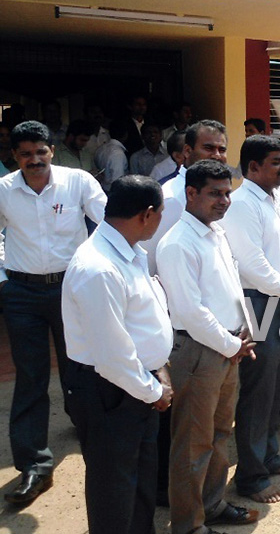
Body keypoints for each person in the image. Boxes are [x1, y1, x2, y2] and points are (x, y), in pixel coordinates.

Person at [0, 120, 107, 505]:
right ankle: (33, 467)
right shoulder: (4, 191)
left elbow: (108, 224)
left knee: (78, 365)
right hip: (21, 292)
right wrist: (3, 277)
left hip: (70, 288)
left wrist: (96, 268)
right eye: (25, 154)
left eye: (40, 152)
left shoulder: (78, 182)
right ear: (14, 156)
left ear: (51, 149)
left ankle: (90, 434)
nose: (34, 160)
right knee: (30, 376)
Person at [61, 175, 172, 534]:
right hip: (110, 389)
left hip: (138, 383)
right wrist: (155, 391)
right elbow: (112, 357)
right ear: (147, 214)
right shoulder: (99, 268)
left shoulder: (128, 252)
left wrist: (159, 370)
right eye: (161, 215)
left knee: (139, 482)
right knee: (114, 489)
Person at [156, 160, 260, 534]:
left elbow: (230, 289)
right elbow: (189, 311)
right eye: (215, 193)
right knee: (192, 446)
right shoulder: (177, 243)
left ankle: (212, 506)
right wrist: (230, 344)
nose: (224, 201)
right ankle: (188, 525)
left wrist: (242, 335)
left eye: (227, 193)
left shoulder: (215, 232)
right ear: (191, 193)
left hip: (228, 346)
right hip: (199, 353)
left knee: (219, 435)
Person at [222, 135, 280, 503]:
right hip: (258, 304)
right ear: (253, 167)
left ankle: (270, 457)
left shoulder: (278, 198)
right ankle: (251, 476)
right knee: (258, 390)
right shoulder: (242, 203)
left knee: (276, 386)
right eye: (276, 162)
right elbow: (251, 264)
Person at [141, 119, 228, 275]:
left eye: (222, 150)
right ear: (187, 151)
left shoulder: (221, 194)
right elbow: (148, 262)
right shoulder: (172, 199)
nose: (216, 155)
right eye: (208, 148)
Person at [94, 120, 130, 191]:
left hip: (101, 190)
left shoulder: (100, 149)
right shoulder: (118, 154)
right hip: (112, 193)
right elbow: (117, 181)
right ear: (126, 135)